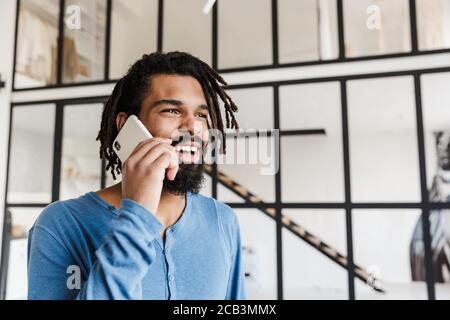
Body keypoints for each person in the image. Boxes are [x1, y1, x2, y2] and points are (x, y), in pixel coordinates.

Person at [27, 51, 247, 300]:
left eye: (201, 115)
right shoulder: (61, 224)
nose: (193, 127)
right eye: (172, 111)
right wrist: (137, 218)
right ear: (127, 125)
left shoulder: (222, 220)